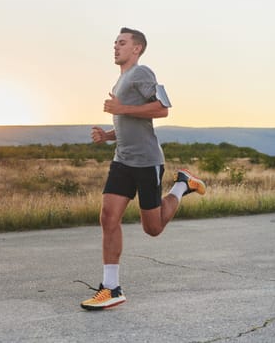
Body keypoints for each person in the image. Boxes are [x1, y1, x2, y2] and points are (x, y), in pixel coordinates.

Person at [80, 27, 206, 310]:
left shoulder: (142, 72)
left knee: (153, 228)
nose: (115, 47)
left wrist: (121, 108)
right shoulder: (122, 78)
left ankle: (182, 184)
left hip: (147, 162)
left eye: (122, 43)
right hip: (122, 160)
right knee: (108, 217)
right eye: (114, 42)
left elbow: (162, 109)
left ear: (136, 49)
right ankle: (111, 288)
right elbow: (127, 124)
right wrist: (107, 135)